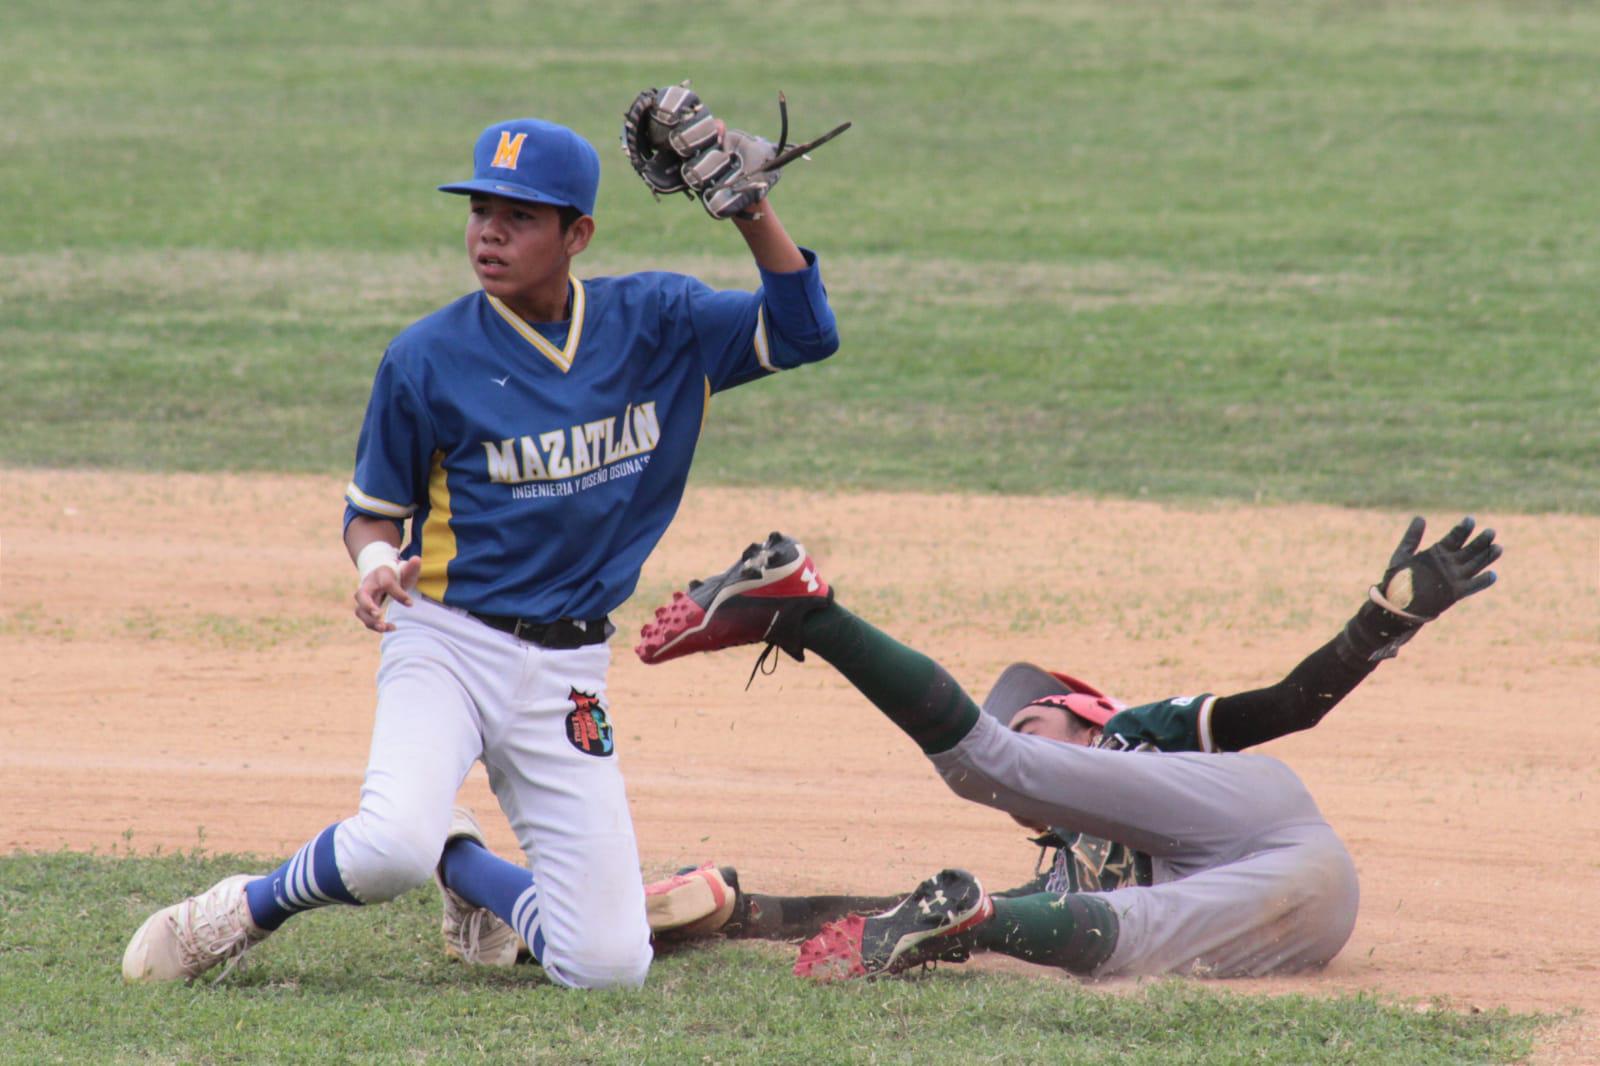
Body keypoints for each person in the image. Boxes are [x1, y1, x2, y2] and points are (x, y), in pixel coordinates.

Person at [121, 102, 841, 988]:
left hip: (571, 672)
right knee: (384, 850)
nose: (489, 235)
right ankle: (236, 912)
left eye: (519, 217)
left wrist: (749, 213)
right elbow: (372, 508)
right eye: (478, 212)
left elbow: (807, 334)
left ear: (577, 233)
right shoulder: (426, 357)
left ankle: (461, 865)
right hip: (447, 643)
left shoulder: (659, 321)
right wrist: (377, 562)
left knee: (608, 966)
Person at [633, 517, 1500, 980]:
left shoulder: (1141, 734)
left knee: (986, 768)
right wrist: (747, 912)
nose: (1017, 728)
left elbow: (1286, 707)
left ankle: (808, 613)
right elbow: (880, 912)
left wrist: (1378, 626)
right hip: (1295, 905)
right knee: (1129, 942)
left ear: (1086, 710)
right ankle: (977, 920)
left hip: (1255, 811)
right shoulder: (1056, 879)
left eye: (1032, 715)